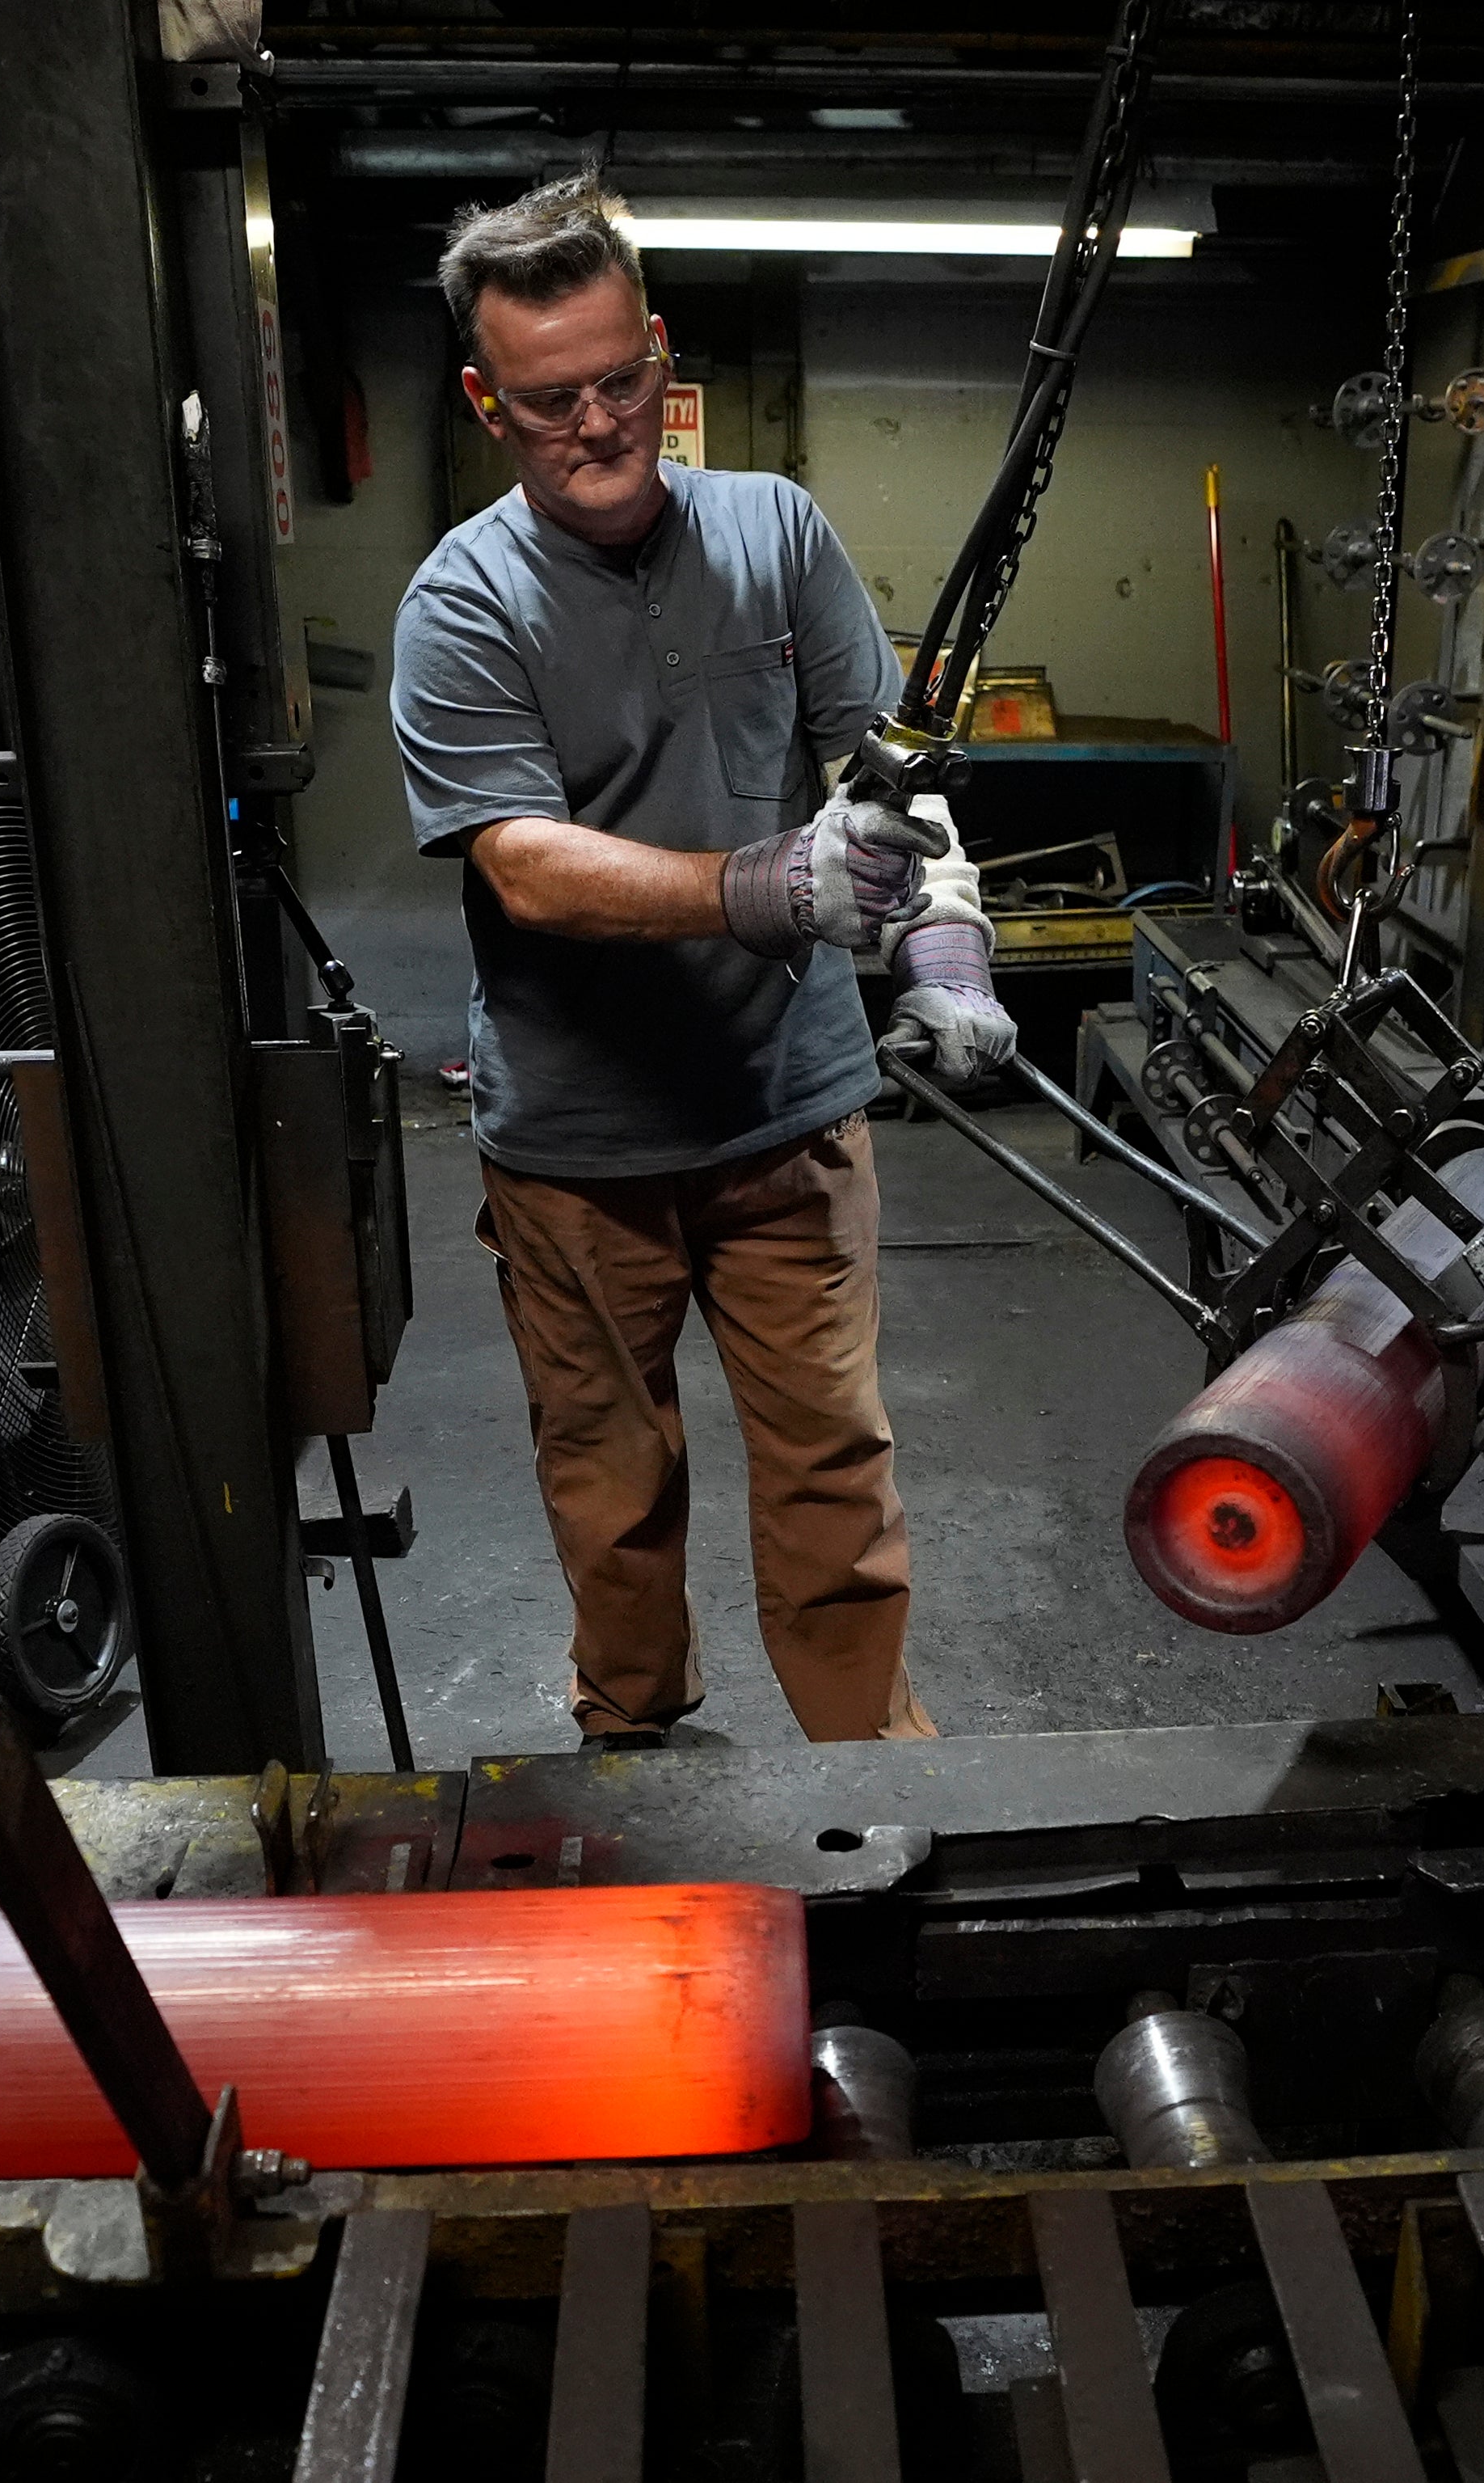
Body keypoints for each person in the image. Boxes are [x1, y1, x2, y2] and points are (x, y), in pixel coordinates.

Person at [388, 176, 1017, 1750]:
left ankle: (879, 1791)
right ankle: (640, 1767)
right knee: (616, 1503)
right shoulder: (463, 603)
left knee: (833, 1480)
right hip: (580, 1154)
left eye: (623, 383)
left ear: (662, 354)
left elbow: (891, 773)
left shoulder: (773, 531)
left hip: (787, 1119)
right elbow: (523, 864)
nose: (599, 426)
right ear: (486, 401)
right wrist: (767, 881)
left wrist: (948, 950)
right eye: (549, 404)